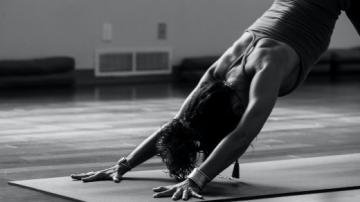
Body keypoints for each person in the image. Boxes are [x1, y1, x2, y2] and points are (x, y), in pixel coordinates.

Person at [71, 0, 360, 200]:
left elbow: (243, 133)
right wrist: (124, 165)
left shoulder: (266, 67)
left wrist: (198, 178)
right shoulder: (217, 75)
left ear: (235, 106)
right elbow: (177, 124)